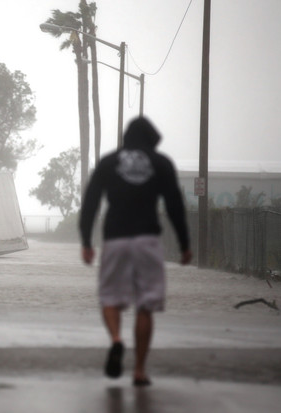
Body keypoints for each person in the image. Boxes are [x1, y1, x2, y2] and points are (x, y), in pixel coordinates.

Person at [79, 117, 192, 387]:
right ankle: (139, 371)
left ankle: (117, 340)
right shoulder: (161, 163)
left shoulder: (109, 162)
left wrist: (86, 241)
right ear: (151, 139)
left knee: (109, 297)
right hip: (147, 239)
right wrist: (185, 244)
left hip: (115, 239)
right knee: (146, 304)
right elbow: (174, 204)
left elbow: (91, 201)